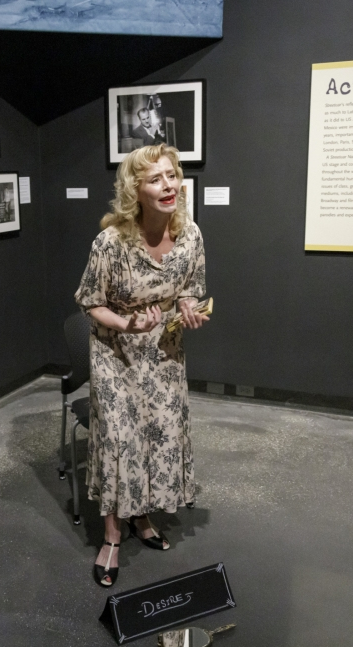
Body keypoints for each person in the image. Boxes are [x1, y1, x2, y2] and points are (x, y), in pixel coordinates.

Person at [75, 144, 208, 586]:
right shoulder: (111, 243)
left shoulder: (190, 235)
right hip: (116, 353)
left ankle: (142, 515)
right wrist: (127, 324)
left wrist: (188, 308)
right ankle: (112, 535)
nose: (169, 186)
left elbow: (190, 287)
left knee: (157, 436)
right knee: (119, 442)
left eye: (172, 175)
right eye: (155, 179)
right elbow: (90, 303)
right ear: (136, 190)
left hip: (164, 353)